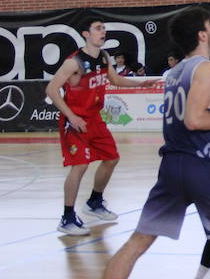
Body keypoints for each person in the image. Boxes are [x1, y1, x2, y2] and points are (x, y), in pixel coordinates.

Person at [103, 8, 210, 279]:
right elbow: (194, 120)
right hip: (201, 166)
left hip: (171, 166)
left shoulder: (173, 72)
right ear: (201, 34)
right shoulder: (206, 68)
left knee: (137, 242)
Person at [45, 18, 158, 236]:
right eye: (98, 28)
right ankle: (67, 217)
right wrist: (72, 117)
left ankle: (95, 201)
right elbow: (51, 90)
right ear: (86, 34)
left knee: (112, 158)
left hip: (95, 119)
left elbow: (115, 80)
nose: (103, 31)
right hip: (75, 122)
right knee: (80, 166)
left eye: (104, 28)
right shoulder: (74, 62)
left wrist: (140, 83)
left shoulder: (105, 57)